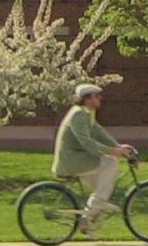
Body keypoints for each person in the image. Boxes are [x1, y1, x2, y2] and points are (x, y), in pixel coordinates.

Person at [52, 82, 135, 234]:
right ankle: (90, 214)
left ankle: (88, 217)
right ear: (87, 99)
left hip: (78, 159)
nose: (100, 98)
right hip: (72, 160)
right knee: (110, 163)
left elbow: (98, 132)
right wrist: (112, 151)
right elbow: (86, 142)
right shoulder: (78, 114)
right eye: (97, 96)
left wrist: (119, 147)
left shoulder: (86, 113)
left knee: (104, 186)